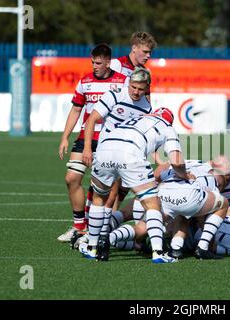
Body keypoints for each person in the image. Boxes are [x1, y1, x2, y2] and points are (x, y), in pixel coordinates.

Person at [81, 107, 192, 263]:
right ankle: (158, 253)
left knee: (98, 199)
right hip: (129, 154)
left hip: (103, 150)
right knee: (152, 204)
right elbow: (176, 161)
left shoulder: (135, 119)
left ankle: (92, 248)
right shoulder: (167, 127)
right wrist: (185, 175)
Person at [57, 43, 128, 242]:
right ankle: (79, 226)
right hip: (85, 138)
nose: (94, 66)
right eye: (92, 62)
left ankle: (95, 230)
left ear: (108, 62)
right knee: (71, 178)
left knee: (101, 187)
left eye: (98, 63)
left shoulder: (122, 82)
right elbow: (76, 110)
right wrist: (65, 136)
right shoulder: (85, 81)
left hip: (109, 141)